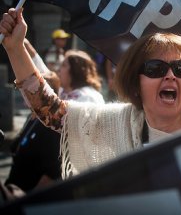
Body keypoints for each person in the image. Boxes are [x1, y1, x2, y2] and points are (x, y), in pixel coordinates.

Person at [0, 8, 181, 179]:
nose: (171, 75)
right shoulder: (119, 123)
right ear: (135, 83)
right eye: (156, 69)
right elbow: (51, 110)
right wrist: (15, 47)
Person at [4, 39, 105, 193]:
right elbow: (43, 76)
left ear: (76, 70)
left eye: (64, 65)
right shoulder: (65, 92)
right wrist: (24, 46)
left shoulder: (89, 97)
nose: (58, 68)